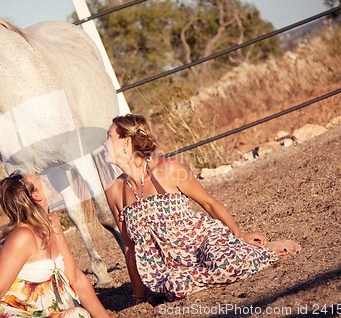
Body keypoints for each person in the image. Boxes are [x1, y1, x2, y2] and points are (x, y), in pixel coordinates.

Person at [102, 113, 301, 302]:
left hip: (203, 241)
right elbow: (130, 247)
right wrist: (139, 296)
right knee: (175, 287)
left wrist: (238, 234)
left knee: (224, 262)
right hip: (172, 266)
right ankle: (203, 272)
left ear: (126, 142)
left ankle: (257, 249)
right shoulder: (114, 191)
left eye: (109, 137)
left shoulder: (168, 170)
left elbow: (209, 202)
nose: (104, 144)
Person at [0, 172, 117, 318]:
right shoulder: (22, 237)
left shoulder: (52, 224)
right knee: (77, 315)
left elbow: (76, 277)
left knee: (78, 314)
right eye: (40, 180)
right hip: (18, 313)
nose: (45, 181)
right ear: (36, 195)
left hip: (46, 311)